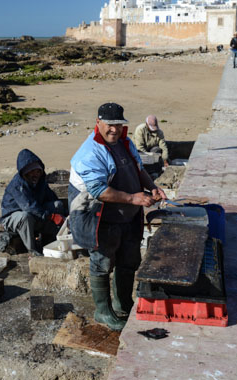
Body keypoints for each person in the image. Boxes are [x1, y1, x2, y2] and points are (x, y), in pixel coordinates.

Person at [68, 103, 167, 331]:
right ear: (98, 123)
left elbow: (138, 168)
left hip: (127, 215)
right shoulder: (89, 153)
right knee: (102, 263)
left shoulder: (125, 141)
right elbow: (99, 191)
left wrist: (152, 187)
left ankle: (122, 305)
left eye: (119, 125)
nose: (114, 130)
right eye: (109, 125)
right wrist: (134, 199)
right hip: (98, 216)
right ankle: (103, 312)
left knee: (129, 259)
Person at [0, 149, 67, 256]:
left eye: (37, 171)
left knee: (57, 205)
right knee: (25, 216)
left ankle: (50, 242)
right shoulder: (18, 185)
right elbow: (29, 207)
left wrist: (65, 214)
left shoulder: (41, 182)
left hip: (35, 215)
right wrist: (52, 216)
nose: (35, 174)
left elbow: (51, 198)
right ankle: (32, 250)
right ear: (25, 172)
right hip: (14, 217)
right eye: (31, 171)